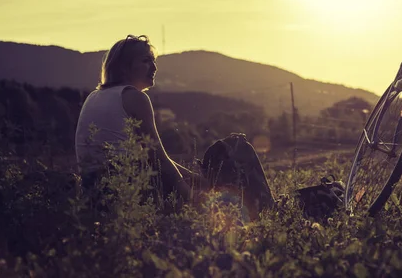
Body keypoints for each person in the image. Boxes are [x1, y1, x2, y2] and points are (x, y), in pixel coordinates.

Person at [74, 35, 274, 218]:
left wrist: (195, 179)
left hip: (96, 193)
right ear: (124, 67)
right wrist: (189, 195)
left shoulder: (94, 97)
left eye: (154, 61)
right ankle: (264, 210)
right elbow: (156, 157)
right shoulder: (134, 97)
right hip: (127, 189)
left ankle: (257, 207)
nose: (154, 67)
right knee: (235, 146)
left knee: (207, 178)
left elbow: (152, 157)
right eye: (146, 61)